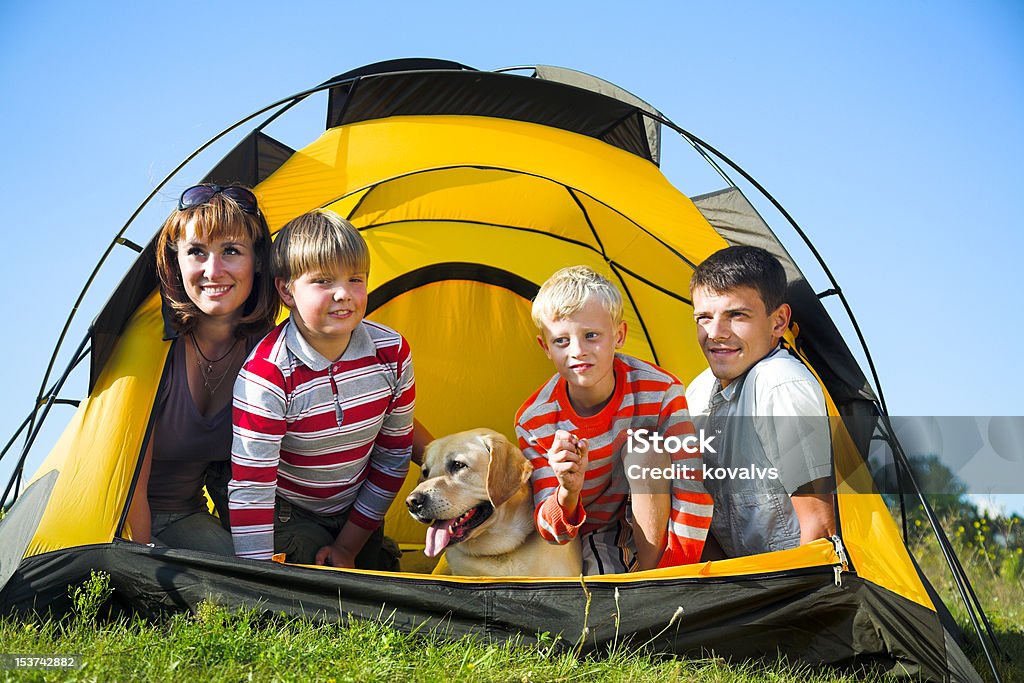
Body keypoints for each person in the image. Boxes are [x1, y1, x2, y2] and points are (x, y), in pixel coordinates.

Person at [228, 209, 415, 569]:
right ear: (287, 289)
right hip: (284, 507)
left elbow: (393, 455)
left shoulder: (392, 353)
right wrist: (257, 577)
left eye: (356, 279)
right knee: (306, 569)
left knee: (377, 577)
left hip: (353, 506)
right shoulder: (267, 374)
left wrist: (348, 545)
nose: (343, 294)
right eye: (324, 281)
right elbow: (253, 489)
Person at [515, 266, 713, 575]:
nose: (578, 351)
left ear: (619, 335)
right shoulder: (535, 422)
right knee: (604, 611)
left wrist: (674, 574)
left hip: (664, 532)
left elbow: (691, 487)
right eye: (561, 341)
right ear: (545, 348)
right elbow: (553, 531)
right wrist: (568, 489)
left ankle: (652, 583)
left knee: (645, 451)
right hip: (591, 535)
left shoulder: (661, 390)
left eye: (591, 336)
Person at [126, 183, 279, 554]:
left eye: (231, 250)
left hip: (184, 517)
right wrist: (143, 560)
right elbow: (126, 485)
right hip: (117, 518)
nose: (213, 270)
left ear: (257, 261)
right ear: (176, 261)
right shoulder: (152, 345)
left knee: (253, 584)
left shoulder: (269, 352)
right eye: (196, 252)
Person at [686, 246, 836, 559]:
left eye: (736, 315)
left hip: (793, 587)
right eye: (703, 317)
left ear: (779, 321)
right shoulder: (697, 393)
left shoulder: (780, 384)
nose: (715, 333)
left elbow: (820, 527)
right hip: (739, 586)